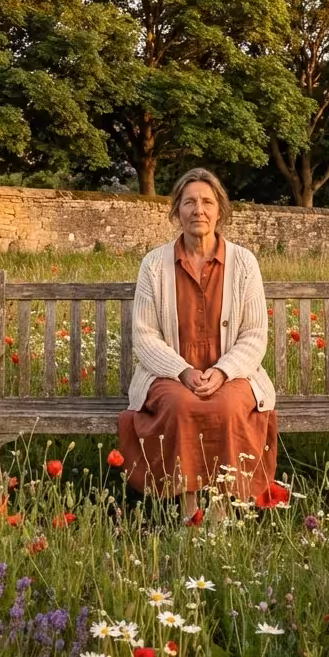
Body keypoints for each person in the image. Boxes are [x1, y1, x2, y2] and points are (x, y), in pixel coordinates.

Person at [117, 168, 278, 520]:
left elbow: (254, 334)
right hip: (170, 375)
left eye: (207, 202)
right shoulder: (154, 265)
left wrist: (222, 372)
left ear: (220, 210)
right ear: (177, 210)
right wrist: (183, 371)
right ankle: (190, 512)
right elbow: (144, 335)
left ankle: (220, 511)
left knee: (227, 407)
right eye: (189, 202)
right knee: (181, 405)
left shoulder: (244, 263)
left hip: (233, 373)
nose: (198, 210)